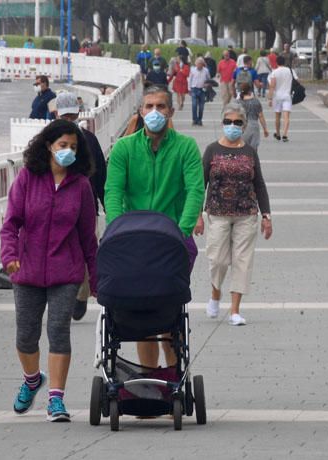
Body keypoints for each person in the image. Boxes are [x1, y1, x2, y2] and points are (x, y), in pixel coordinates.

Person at [0, 119, 98, 422]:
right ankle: (32, 380)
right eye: (62, 145)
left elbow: (87, 237)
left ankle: (56, 399)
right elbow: (11, 223)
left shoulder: (81, 185)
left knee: (58, 331)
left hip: (65, 272)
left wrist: (96, 279)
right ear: (48, 146)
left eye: (73, 146)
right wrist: (10, 255)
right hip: (27, 271)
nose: (67, 151)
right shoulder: (28, 178)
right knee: (26, 336)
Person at [104, 84, 204, 368]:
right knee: (142, 315)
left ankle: (172, 376)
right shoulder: (124, 147)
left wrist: (182, 230)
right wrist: (116, 228)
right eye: (149, 106)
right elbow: (113, 191)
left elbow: (195, 189)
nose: (154, 112)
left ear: (171, 111)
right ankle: (149, 378)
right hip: (132, 240)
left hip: (173, 240)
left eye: (161, 107)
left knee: (168, 314)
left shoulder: (185, 147)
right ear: (140, 111)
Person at [193, 103, 272, 326]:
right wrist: (197, 215)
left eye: (238, 122)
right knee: (217, 259)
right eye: (228, 122)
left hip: (246, 213)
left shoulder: (249, 152)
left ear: (244, 125)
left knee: (242, 261)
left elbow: (260, 184)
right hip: (217, 212)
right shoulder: (211, 150)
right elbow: (201, 184)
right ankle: (215, 295)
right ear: (222, 123)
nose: (233, 126)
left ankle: (235, 310)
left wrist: (266, 216)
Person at [55, 92, 107, 320]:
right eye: (65, 115)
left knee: (86, 250)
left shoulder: (88, 140)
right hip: (55, 209)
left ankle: (80, 295)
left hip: (85, 208)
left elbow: (100, 175)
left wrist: (106, 205)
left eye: (70, 116)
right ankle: (65, 296)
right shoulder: (46, 141)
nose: (68, 119)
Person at [268, 56, 296, 143]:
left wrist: (270, 98)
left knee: (277, 116)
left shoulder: (274, 72)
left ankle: (278, 133)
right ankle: (285, 134)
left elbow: (272, 86)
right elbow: (297, 80)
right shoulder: (290, 71)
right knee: (286, 116)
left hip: (277, 97)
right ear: (284, 62)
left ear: (277, 63)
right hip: (287, 95)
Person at [239, 83, 269, 151]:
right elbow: (261, 116)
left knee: (241, 148)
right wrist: (265, 129)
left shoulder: (238, 102)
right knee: (253, 150)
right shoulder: (256, 101)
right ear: (250, 91)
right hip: (254, 125)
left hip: (241, 126)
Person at [188, 57, 210, 126]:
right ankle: (194, 119)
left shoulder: (206, 70)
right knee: (194, 105)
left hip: (202, 90)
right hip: (194, 89)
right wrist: (189, 89)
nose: (199, 65)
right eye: (198, 64)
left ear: (202, 64)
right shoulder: (192, 70)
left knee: (201, 107)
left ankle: (200, 120)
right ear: (196, 64)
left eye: (200, 64)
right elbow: (190, 80)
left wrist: (207, 84)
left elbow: (209, 79)